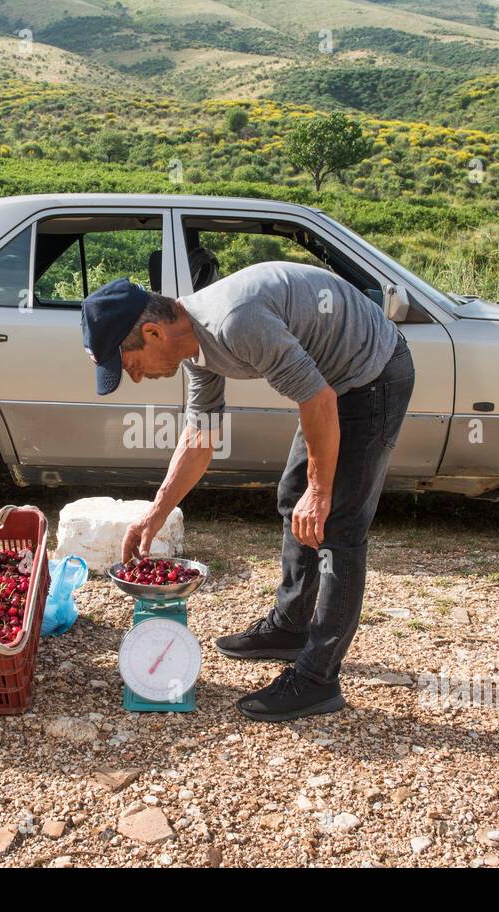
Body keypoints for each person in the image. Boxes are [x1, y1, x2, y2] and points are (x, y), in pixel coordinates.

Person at [81, 260, 415, 721]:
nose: (135, 378)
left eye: (130, 365)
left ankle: (317, 679)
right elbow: (201, 436)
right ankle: (290, 627)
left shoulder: (235, 322)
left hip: (371, 375)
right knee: (290, 497)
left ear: (155, 332)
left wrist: (321, 492)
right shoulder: (194, 346)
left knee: (334, 520)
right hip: (329, 385)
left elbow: (317, 400)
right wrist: (156, 513)